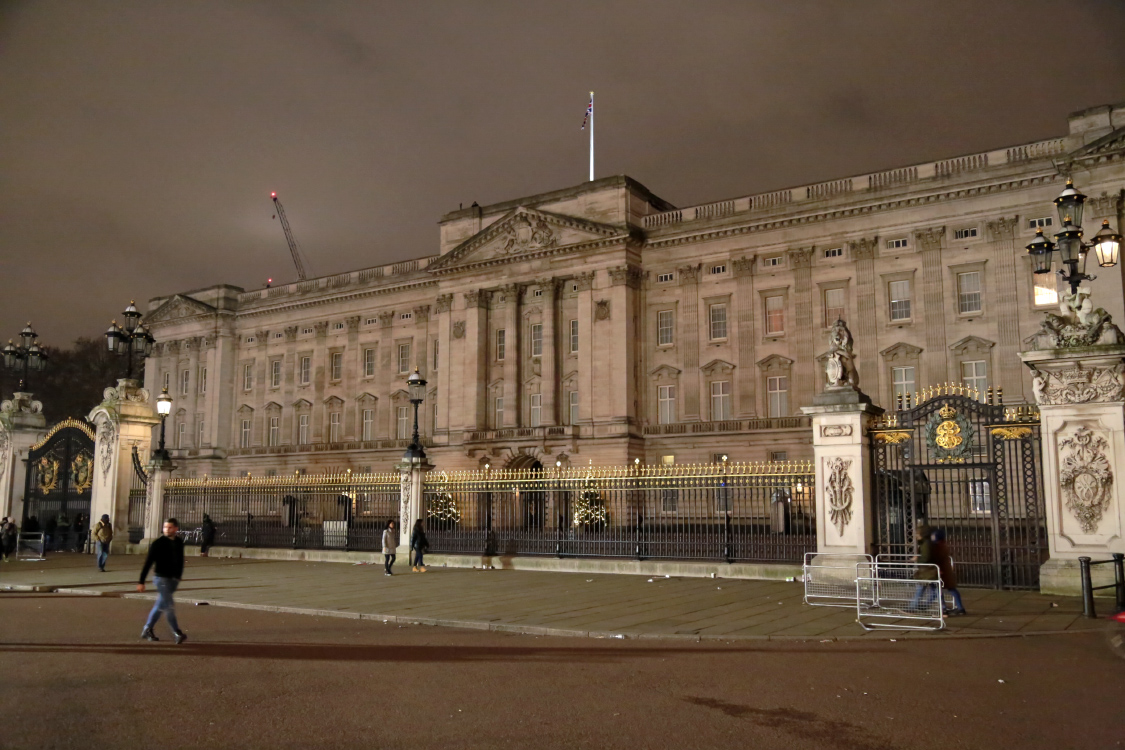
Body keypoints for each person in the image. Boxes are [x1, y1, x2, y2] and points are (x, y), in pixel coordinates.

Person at [138, 518, 187, 644]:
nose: (167, 529)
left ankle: (147, 629)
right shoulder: (158, 543)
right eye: (165, 527)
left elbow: (180, 560)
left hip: (173, 579)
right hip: (161, 578)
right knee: (169, 606)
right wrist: (141, 581)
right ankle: (177, 632)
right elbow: (148, 563)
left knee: (160, 605)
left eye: (170, 527)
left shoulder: (179, 542)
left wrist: (178, 575)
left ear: (176, 529)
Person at [931, 528, 966, 616]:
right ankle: (959, 608)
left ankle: (944, 608)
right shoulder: (943, 546)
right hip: (945, 571)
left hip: (942, 571)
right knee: (951, 588)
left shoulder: (938, 547)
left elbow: (937, 559)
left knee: (938, 589)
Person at [908, 523, 940, 612]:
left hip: (927, 570)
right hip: (929, 570)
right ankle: (924, 606)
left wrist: (917, 559)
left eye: (917, 533)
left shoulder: (926, 544)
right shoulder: (926, 542)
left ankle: (912, 607)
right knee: (934, 590)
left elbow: (926, 557)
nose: (915, 535)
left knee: (921, 588)